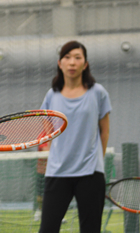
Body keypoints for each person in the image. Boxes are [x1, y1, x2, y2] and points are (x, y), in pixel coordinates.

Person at [39, 40, 111, 233]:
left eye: (77, 58)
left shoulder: (98, 93)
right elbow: (47, 132)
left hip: (90, 173)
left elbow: (104, 131)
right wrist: (48, 150)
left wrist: (98, 161)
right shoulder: (51, 96)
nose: (72, 62)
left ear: (85, 64)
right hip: (57, 172)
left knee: (90, 230)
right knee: (47, 229)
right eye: (67, 57)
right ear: (59, 63)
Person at [33, 141, 49, 221]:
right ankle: (39, 211)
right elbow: (45, 151)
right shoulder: (42, 136)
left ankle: (56, 214)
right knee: (40, 196)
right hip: (42, 172)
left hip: (54, 172)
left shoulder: (57, 134)